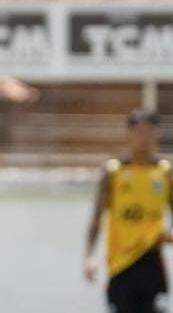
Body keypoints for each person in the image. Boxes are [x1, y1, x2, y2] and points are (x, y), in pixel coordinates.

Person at [84, 109, 173, 313]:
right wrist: (89, 256)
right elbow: (97, 217)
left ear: (157, 133)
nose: (144, 137)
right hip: (120, 264)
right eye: (139, 131)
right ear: (129, 133)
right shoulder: (114, 171)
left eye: (149, 131)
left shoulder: (164, 171)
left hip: (152, 260)